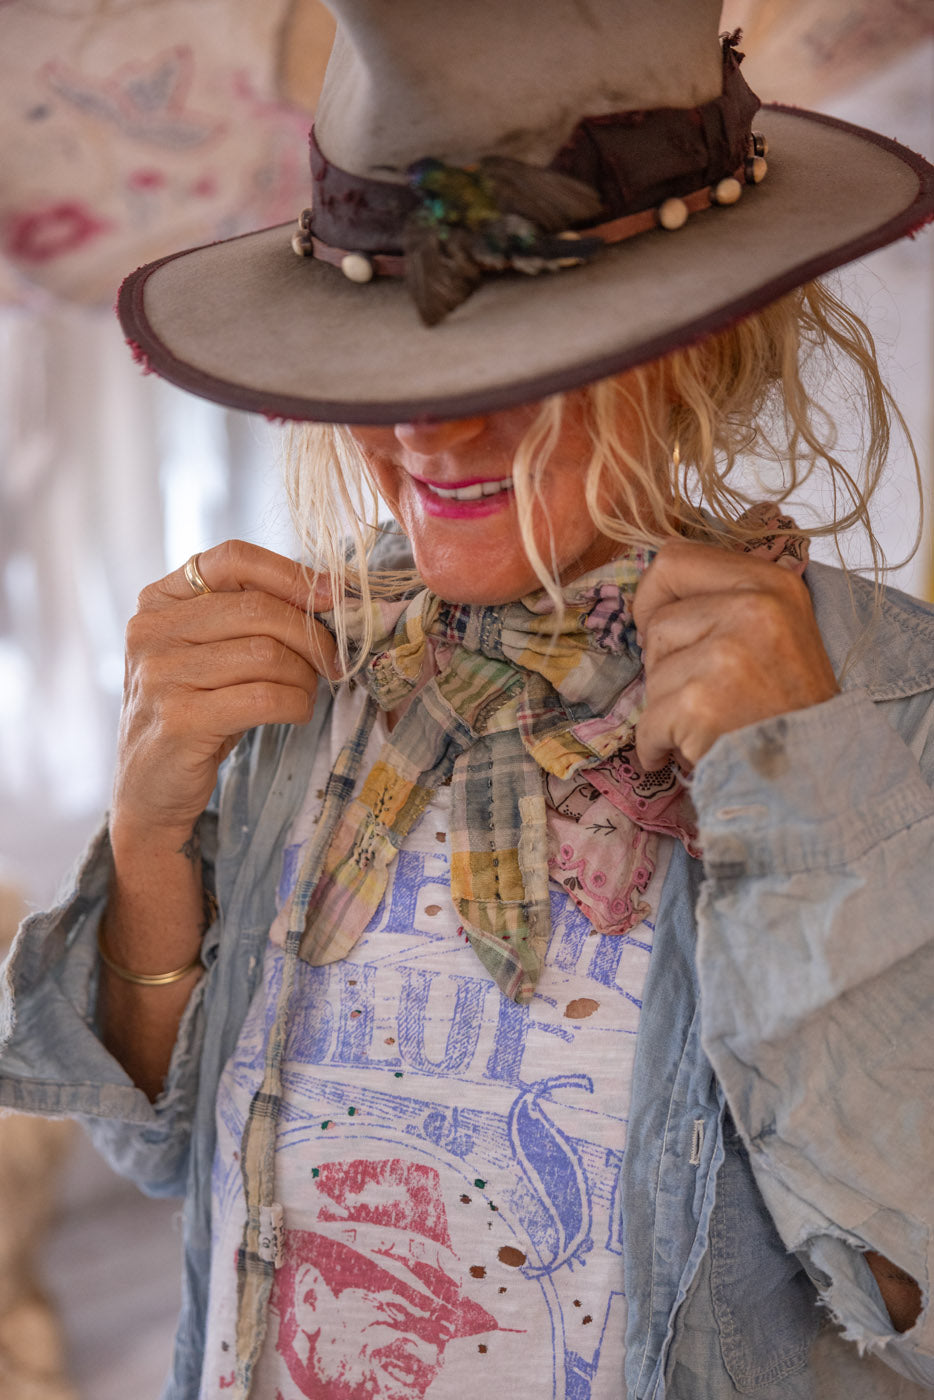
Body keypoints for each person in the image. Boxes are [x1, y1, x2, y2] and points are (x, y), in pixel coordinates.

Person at [2, 2, 933, 1398]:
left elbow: (899, 1300)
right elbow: (163, 1145)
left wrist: (804, 808)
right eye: (396, 357)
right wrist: (149, 835)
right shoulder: (305, 675)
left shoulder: (884, 704)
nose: (429, 430)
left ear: (692, 343)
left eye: (518, 364)